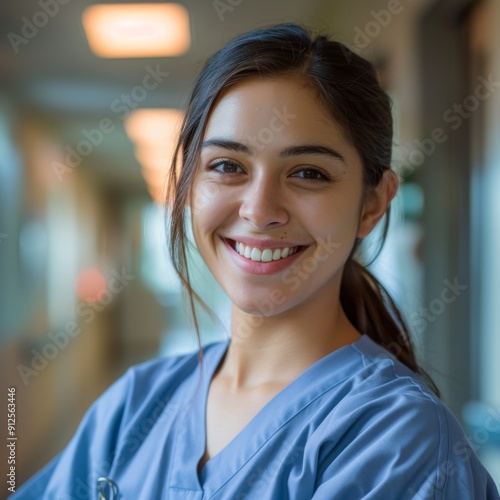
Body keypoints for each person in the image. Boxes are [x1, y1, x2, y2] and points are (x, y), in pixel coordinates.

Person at [12, 23, 499, 500]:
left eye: (308, 172)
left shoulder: (398, 442)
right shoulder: (134, 407)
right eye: (227, 166)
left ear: (372, 204)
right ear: (188, 185)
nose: (260, 210)